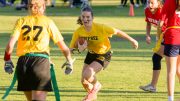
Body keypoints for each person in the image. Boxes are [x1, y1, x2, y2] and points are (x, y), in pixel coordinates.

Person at [3, 0, 73, 100]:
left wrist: (7, 60)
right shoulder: (48, 22)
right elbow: (64, 47)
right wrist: (69, 60)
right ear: (43, 6)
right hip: (41, 63)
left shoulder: (21, 21)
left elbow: (10, 45)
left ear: (28, 6)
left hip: (23, 64)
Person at [69, 6, 138, 101]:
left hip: (104, 54)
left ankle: (97, 85)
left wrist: (132, 40)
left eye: (88, 17)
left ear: (92, 18)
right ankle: (92, 95)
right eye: (83, 17)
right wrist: (80, 49)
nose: (85, 19)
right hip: (91, 54)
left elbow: (117, 31)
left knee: (87, 74)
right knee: (84, 81)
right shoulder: (79, 32)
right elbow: (71, 49)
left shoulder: (101, 28)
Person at [139, 0, 166, 93]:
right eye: (148, 2)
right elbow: (148, 23)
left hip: (171, 37)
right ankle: (153, 86)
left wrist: (160, 40)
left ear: (158, 4)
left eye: (152, 3)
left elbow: (163, 27)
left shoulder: (162, 11)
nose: (149, 5)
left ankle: (153, 86)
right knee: (157, 58)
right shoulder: (147, 11)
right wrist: (147, 35)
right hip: (162, 37)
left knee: (174, 66)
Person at [160, 0, 180, 100]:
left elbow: (161, 23)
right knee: (178, 69)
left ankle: (170, 98)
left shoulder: (169, 2)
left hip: (172, 38)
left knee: (171, 71)